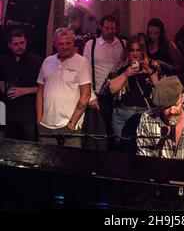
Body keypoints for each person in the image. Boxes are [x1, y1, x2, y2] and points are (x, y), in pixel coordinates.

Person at [102, 35, 159, 153]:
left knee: (144, 151)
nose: (135, 53)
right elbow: (110, 89)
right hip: (122, 116)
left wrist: (150, 71)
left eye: (138, 50)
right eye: (132, 50)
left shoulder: (152, 66)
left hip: (145, 115)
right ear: (127, 52)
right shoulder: (120, 67)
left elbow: (160, 90)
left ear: (143, 52)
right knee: (123, 151)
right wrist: (125, 74)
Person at [36, 28, 91, 147]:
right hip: (45, 126)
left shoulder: (82, 62)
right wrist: (39, 120)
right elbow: (40, 92)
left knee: (71, 163)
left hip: (69, 127)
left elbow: (85, 95)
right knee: (45, 163)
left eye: (68, 43)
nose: (65, 46)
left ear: (73, 43)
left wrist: (71, 123)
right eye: (61, 43)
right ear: (54, 44)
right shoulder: (47, 61)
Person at [83, 14, 126, 150]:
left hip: (119, 96)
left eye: (113, 28)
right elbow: (85, 71)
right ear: (101, 28)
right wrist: (90, 95)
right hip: (99, 95)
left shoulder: (123, 44)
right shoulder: (91, 44)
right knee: (99, 131)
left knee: (116, 132)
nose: (110, 31)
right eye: (107, 28)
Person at [0, 29, 43, 141]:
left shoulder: (37, 61)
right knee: (8, 147)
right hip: (9, 113)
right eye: (16, 44)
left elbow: (44, 88)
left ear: (26, 42)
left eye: (22, 43)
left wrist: (24, 91)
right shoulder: (3, 60)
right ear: (9, 45)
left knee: (30, 148)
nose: (20, 46)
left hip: (29, 114)